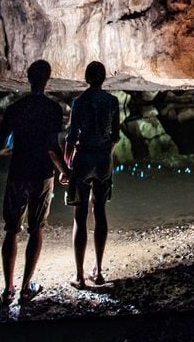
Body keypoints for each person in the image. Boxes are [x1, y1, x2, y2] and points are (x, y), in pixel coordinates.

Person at [0, 59, 69, 306]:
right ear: (47, 79)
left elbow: (0, 147)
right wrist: (65, 170)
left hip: (18, 173)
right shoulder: (53, 109)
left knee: (11, 230)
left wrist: (15, 147)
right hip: (42, 174)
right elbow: (51, 147)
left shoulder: (15, 109)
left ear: (28, 78)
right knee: (36, 228)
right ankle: (26, 288)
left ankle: (8, 290)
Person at [64, 60, 121, 287]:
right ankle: (98, 271)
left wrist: (67, 165)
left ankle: (79, 275)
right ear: (103, 78)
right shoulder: (112, 101)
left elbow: (71, 137)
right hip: (103, 158)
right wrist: (106, 153)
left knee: (80, 216)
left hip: (84, 157)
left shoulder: (79, 102)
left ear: (87, 78)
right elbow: (115, 135)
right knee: (100, 211)